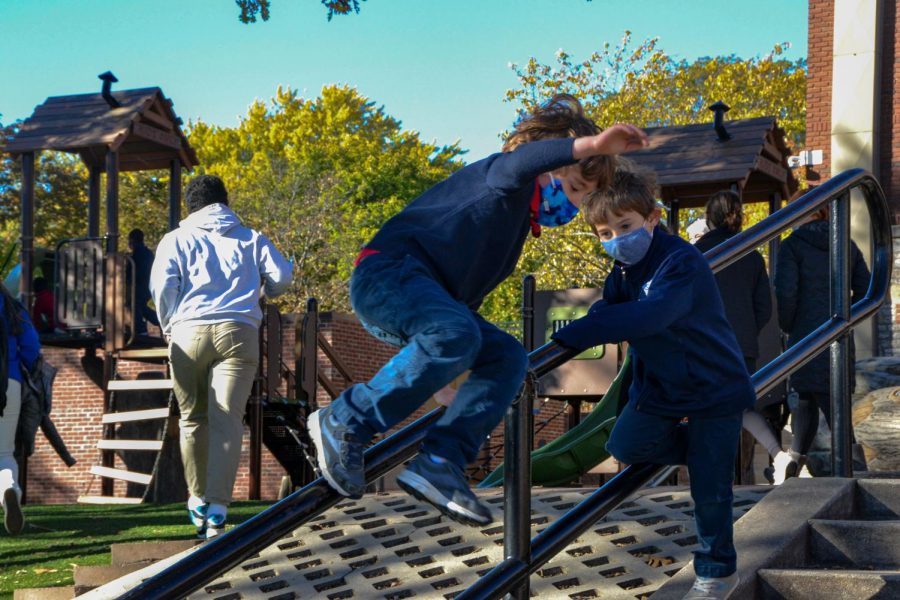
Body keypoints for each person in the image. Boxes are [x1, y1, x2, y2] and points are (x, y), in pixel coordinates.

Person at [308, 94, 648, 526]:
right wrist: (593, 145)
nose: (576, 205)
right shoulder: (502, 178)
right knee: (459, 334)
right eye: (577, 189)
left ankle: (441, 461)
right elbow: (525, 159)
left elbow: (458, 312)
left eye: (585, 197)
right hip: (387, 275)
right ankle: (345, 419)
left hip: (429, 302)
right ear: (549, 168)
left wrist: (450, 378)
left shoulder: (509, 237)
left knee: (507, 357)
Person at [551, 165, 754, 599]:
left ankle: (717, 572)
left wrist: (578, 330)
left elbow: (651, 315)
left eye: (623, 226)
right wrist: (599, 318)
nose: (615, 239)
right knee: (625, 446)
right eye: (604, 233)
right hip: (660, 387)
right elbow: (610, 307)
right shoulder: (623, 272)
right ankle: (706, 454)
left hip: (712, 384)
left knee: (710, 493)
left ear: (652, 218)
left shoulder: (680, 261)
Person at [150, 175, 293, 538]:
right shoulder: (251, 237)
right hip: (238, 331)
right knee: (227, 417)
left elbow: (164, 286)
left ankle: (196, 499)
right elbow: (281, 277)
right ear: (225, 202)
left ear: (190, 206)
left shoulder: (175, 239)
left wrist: (168, 324)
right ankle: (217, 507)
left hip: (187, 332)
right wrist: (265, 290)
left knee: (192, 418)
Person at [694, 191, 786, 482]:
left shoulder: (698, 255)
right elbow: (764, 307)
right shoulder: (752, 255)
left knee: (706, 407)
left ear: (710, 218)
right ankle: (778, 454)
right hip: (742, 346)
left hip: (706, 343)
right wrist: (746, 331)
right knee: (741, 405)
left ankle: (713, 471)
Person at [773, 205, 869, 482]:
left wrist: (789, 325)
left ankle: (853, 474)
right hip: (837, 335)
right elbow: (866, 288)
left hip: (805, 338)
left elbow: (786, 292)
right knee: (834, 406)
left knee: (805, 401)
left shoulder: (793, 246)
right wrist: (844, 317)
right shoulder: (846, 244)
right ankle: (848, 467)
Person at [0, 283, 40, 535]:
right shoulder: (13, 306)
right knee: (4, 452)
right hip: (9, 382)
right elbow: (31, 346)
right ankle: (9, 490)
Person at [128, 229, 160, 336]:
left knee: (134, 304)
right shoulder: (148, 253)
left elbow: (134, 272)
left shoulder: (137, 254)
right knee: (141, 307)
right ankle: (158, 322)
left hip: (140, 287)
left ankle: (141, 329)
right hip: (148, 287)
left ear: (132, 241)